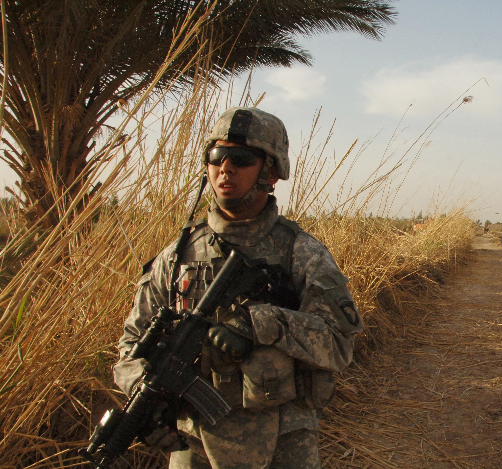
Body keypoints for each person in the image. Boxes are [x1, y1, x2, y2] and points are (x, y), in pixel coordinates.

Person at [113, 107, 363, 468]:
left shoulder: (300, 251)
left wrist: (262, 323)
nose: (225, 169)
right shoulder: (177, 255)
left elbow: (339, 344)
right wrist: (148, 397)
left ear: (271, 171)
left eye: (241, 158)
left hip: (284, 435)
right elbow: (129, 349)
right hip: (194, 438)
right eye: (217, 156)